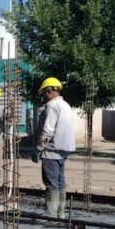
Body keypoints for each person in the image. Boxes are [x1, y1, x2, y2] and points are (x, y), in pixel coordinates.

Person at [31, 77, 75, 218]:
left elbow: (48, 130)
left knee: (51, 182)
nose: (43, 97)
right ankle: (60, 213)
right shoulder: (65, 105)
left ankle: (50, 214)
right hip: (63, 150)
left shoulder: (52, 107)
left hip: (51, 150)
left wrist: (39, 148)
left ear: (49, 91)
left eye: (44, 93)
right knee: (60, 181)